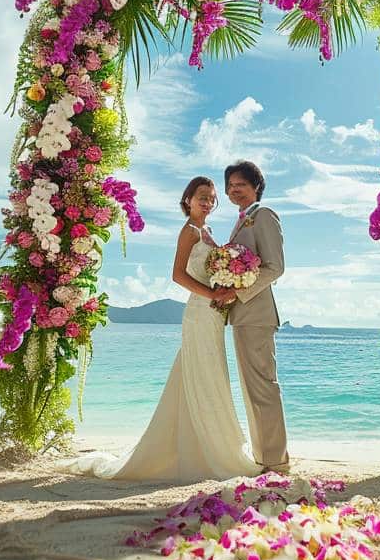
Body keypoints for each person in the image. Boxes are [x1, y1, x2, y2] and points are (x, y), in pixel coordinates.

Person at [63, 176, 261, 483]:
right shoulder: (189, 232)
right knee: (202, 372)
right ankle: (208, 452)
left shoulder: (207, 231)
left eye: (211, 198)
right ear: (187, 201)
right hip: (199, 311)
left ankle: (206, 444)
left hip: (213, 315)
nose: (207, 202)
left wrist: (226, 286)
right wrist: (213, 295)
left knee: (207, 374)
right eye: (201, 197)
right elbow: (177, 275)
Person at [223, 160, 290, 474]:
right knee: (252, 388)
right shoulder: (241, 220)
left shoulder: (263, 216)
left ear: (256, 187)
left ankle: (274, 460)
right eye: (231, 185)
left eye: (241, 184)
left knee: (263, 386)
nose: (235, 189)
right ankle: (265, 456)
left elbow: (275, 267)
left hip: (256, 313)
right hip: (243, 315)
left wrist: (236, 292)